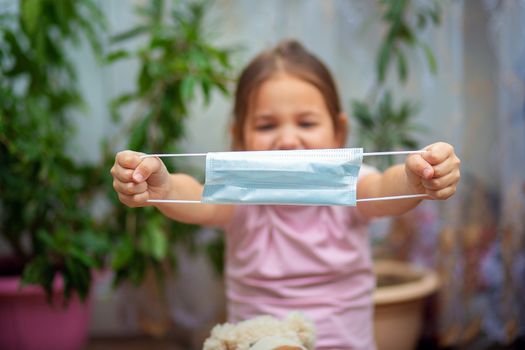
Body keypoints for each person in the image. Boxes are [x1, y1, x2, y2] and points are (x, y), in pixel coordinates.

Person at [110, 39, 461, 349]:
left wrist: (417, 180)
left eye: (306, 123)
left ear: (338, 132)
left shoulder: (350, 185)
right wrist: (164, 187)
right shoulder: (240, 196)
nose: (288, 140)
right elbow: (196, 198)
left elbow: (386, 188)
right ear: (240, 138)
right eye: (266, 125)